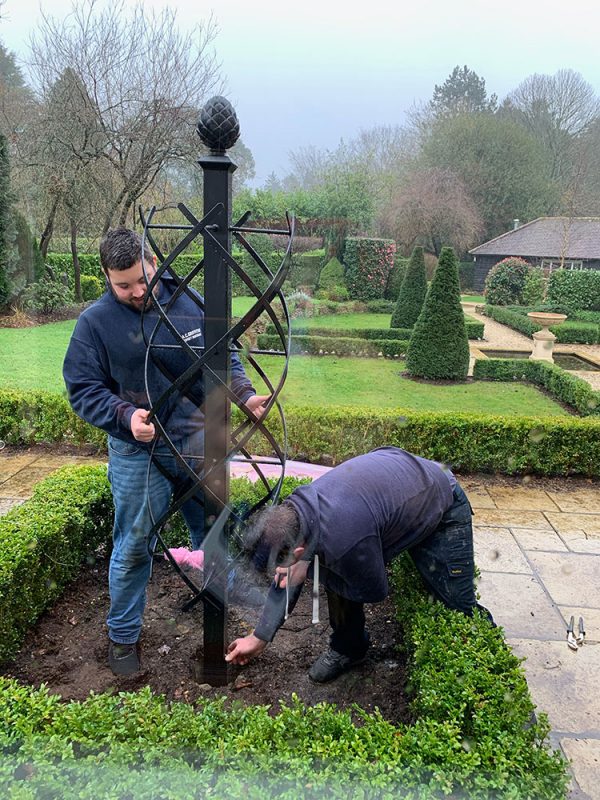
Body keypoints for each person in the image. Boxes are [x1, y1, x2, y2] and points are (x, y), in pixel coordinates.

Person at [63, 227, 269, 676]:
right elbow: (81, 388)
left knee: (215, 535)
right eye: (124, 285)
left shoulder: (189, 299)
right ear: (106, 277)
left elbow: (223, 354)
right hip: (140, 452)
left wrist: (244, 394)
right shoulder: (95, 323)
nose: (137, 292)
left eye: (143, 279)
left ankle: (221, 616)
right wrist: (123, 416)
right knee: (134, 545)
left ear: (154, 260)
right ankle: (123, 640)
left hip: (198, 442)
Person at [226, 446, 493, 682]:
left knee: (459, 605)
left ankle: (490, 670)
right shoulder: (295, 513)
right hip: (398, 486)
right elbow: (291, 575)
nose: (278, 572)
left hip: (439, 494)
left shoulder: (345, 540)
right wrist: (259, 637)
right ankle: (349, 648)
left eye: (280, 565)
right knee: (328, 567)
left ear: (297, 550)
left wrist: (305, 569)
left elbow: (375, 590)